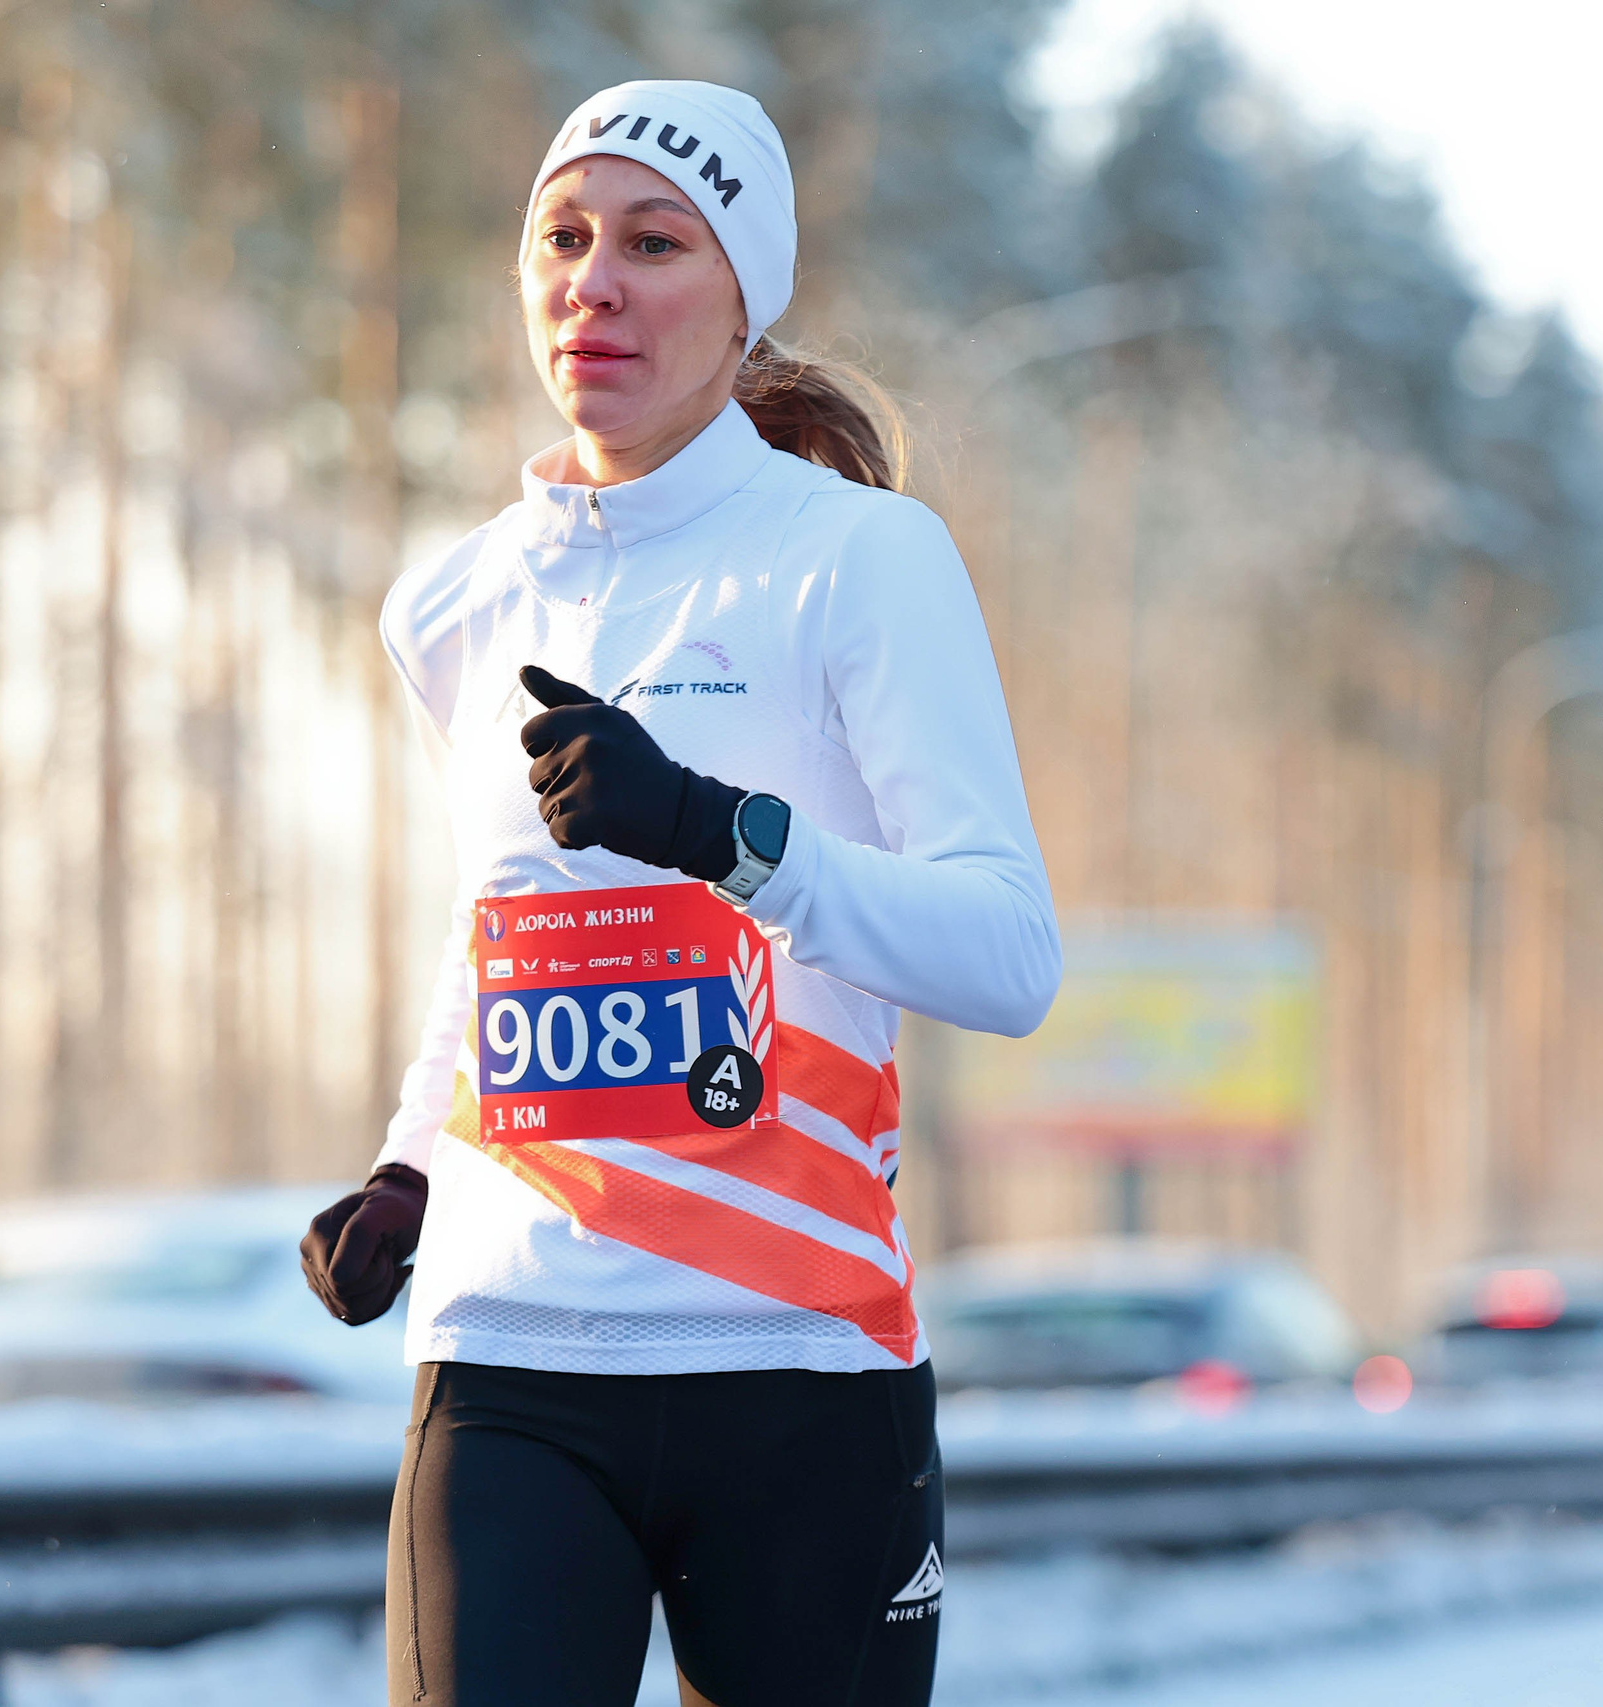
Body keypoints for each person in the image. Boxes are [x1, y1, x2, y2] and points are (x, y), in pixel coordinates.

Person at [296, 78, 1060, 1707]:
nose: (599, 280)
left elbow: (1006, 951)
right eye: (563, 239)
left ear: (742, 301)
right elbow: (493, 934)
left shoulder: (859, 559)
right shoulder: (454, 601)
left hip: (797, 1371)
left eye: (656, 241)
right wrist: (408, 1168)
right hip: (508, 1360)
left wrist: (727, 833)